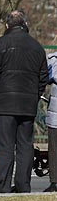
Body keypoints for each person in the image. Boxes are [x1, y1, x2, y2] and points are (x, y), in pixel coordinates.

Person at [0, 10, 49, 194]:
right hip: (27, 105)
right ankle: (23, 185)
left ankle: (2, 185)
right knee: (25, 146)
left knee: (5, 146)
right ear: (25, 24)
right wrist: (34, 96)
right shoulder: (37, 47)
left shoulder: (0, 44)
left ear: (7, 25)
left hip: (3, 104)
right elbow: (43, 77)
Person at [44, 52, 57, 192]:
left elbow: (43, 78)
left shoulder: (53, 61)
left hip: (55, 115)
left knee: (54, 149)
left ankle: (55, 182)